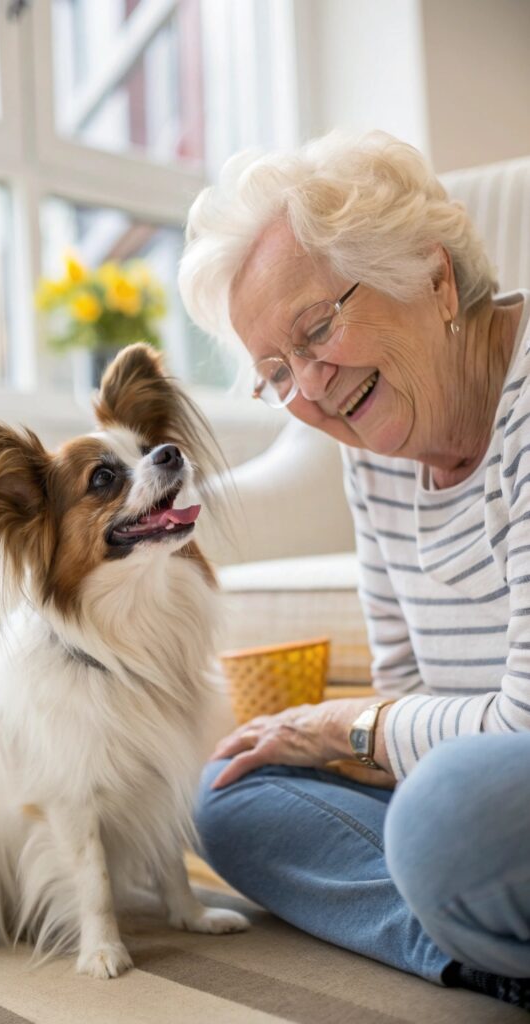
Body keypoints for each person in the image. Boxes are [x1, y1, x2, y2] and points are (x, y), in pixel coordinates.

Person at [178, 130, 530, 1010]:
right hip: (484, 800)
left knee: (445, 809)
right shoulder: (375, 454)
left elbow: (507, 725)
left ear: (431, 276)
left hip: (489, 789)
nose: (309, 386)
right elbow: (401, 694)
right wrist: (360, 735)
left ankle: (468, 920)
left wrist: (345, 728)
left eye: (316, 329)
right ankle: (483, 952)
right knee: (230, 795)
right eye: (274, 371)